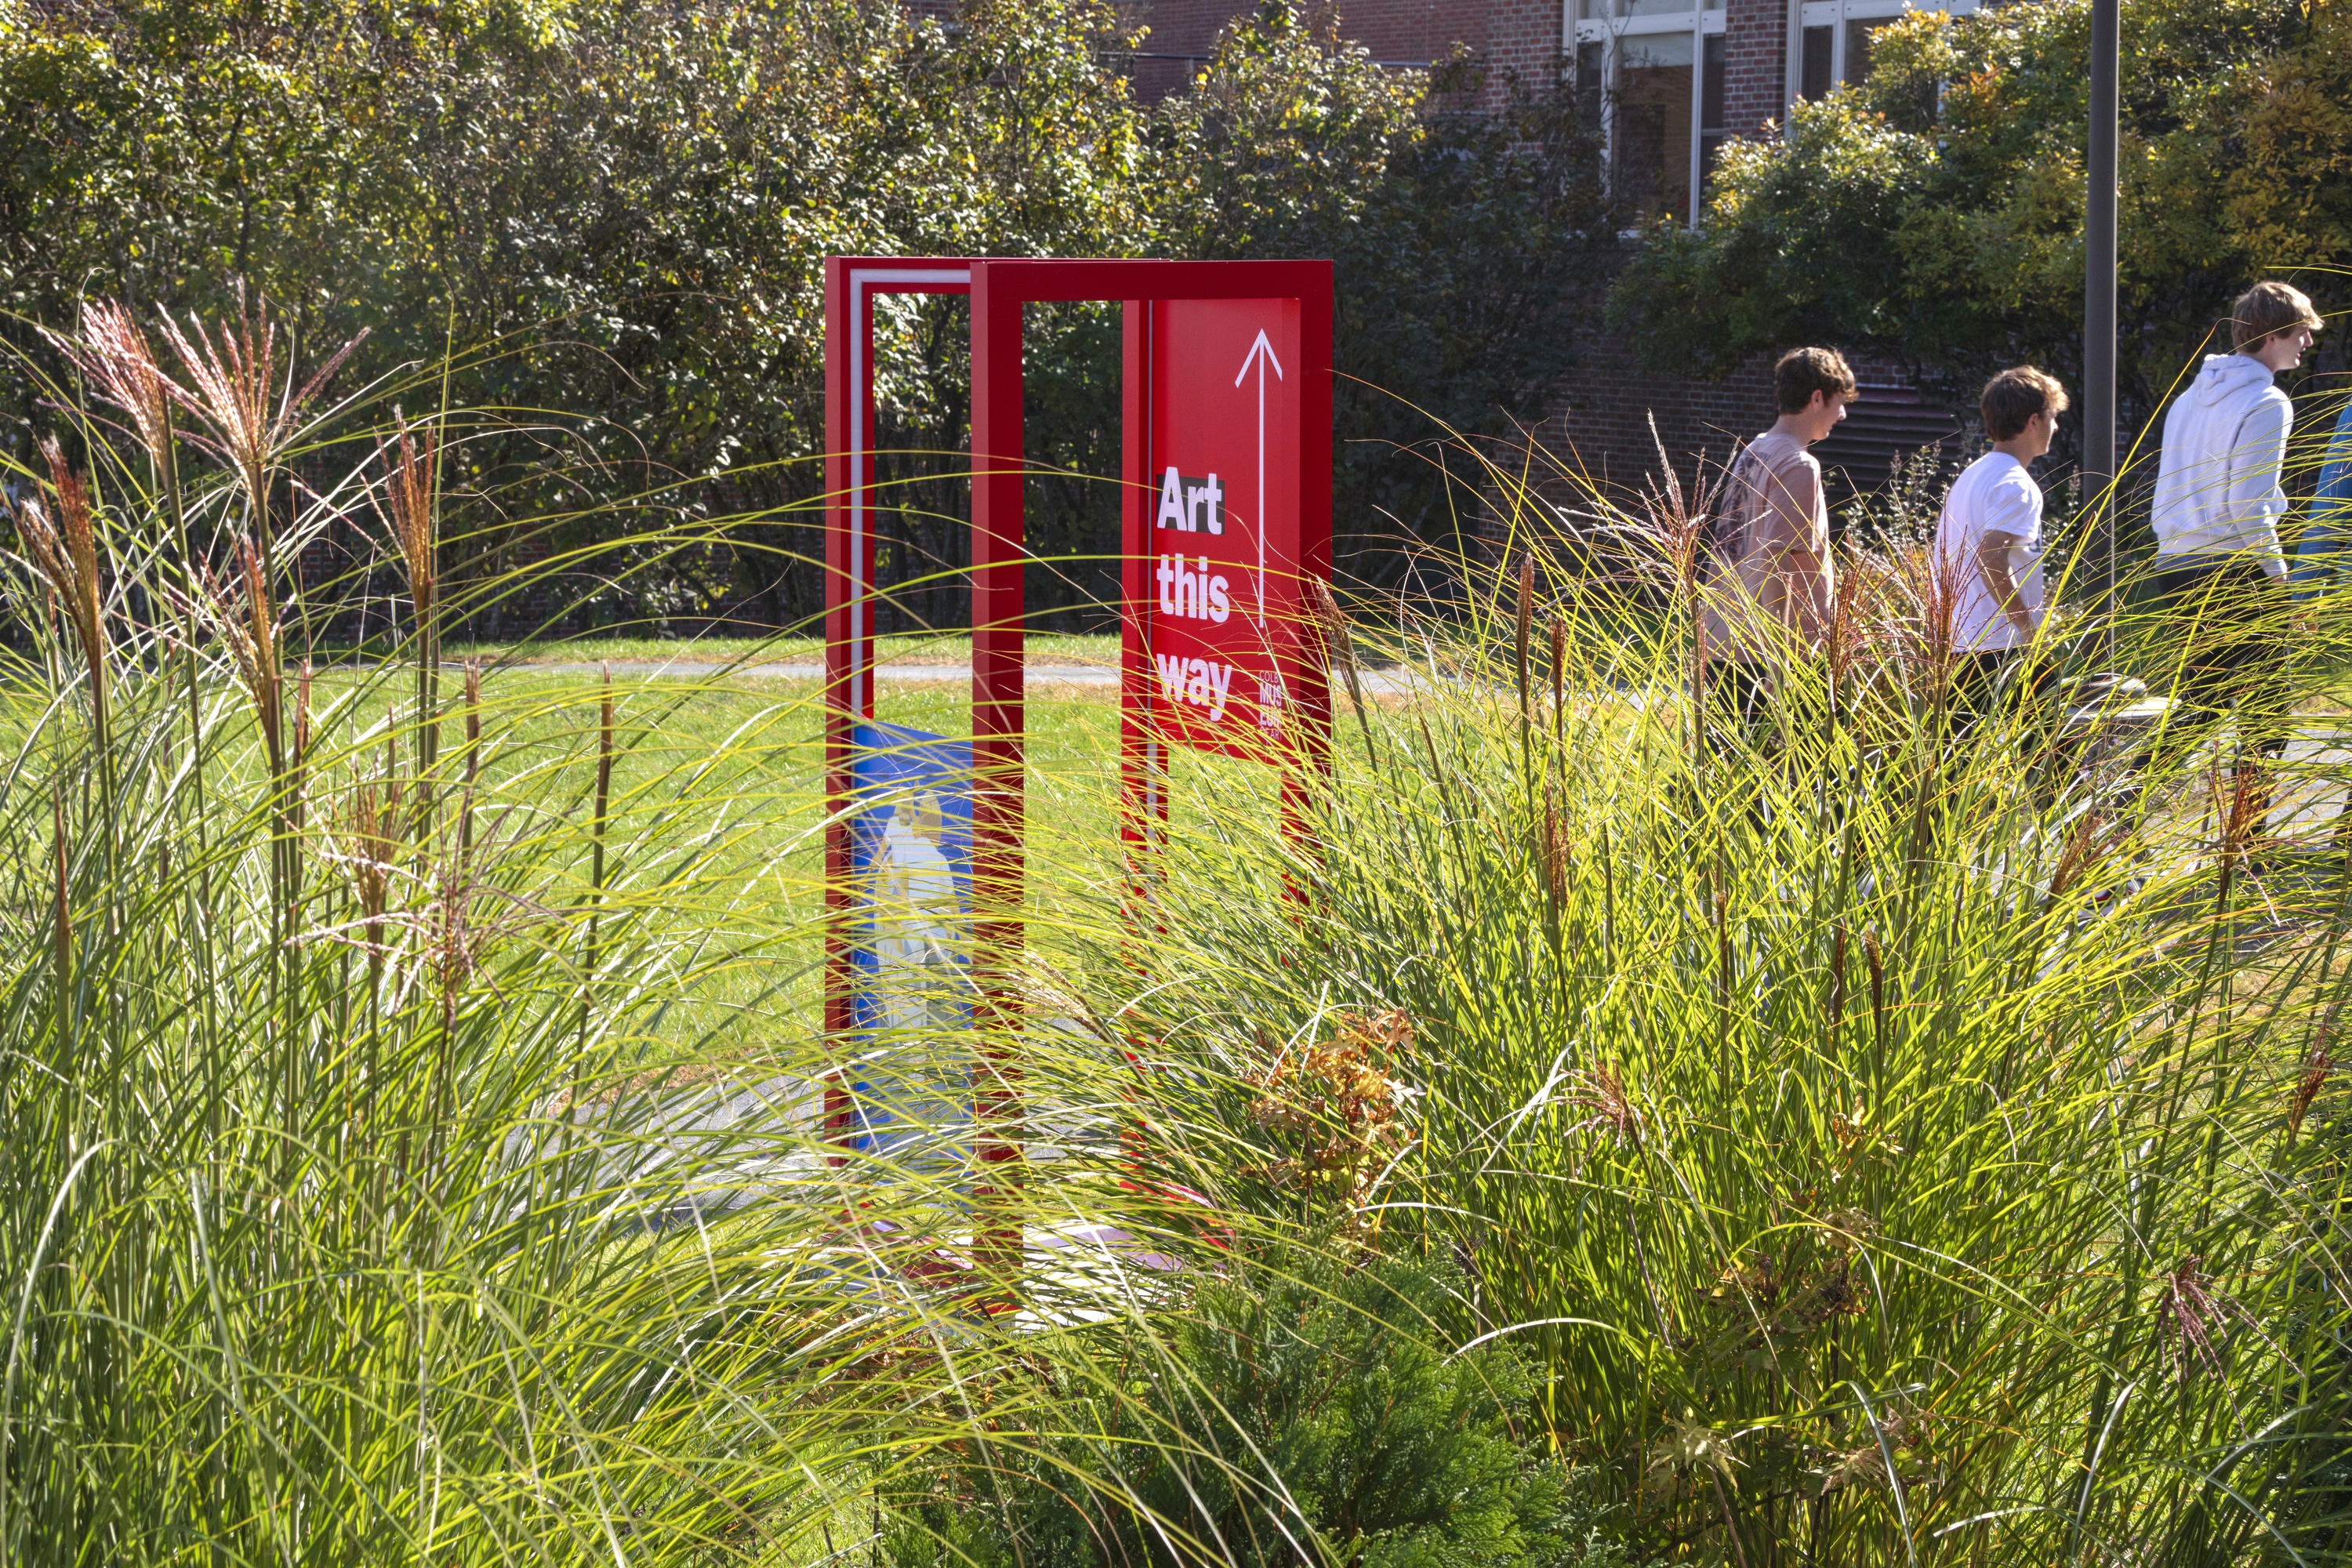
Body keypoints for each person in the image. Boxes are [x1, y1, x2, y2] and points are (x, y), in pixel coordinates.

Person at [2147, 279, 2323, 815]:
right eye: (2301, 332)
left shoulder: (2189, 398)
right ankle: (2244, 846)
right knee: (2268, 719)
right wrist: (2278, 579)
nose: (2308, 344)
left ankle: (2110, 820)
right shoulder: (2267, 401)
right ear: (2274, 336)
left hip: (2175, 563)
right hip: (2232, 568)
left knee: (2199, 708)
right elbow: (2249, 503)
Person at [1700, 346, 1855, 730]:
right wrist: (1781, 662)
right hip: (1777, 655)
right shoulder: (1800, 464)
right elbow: (1775, 562)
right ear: (1817, 397)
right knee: (1806, 775)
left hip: (1725, 638)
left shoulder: (1755, 450)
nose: (1843, 414)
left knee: (1729, 774)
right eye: (1839, 403)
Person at [1939, 366, 2067, 731]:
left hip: (1961, 642)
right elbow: (1990, 559)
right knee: (2052, 763)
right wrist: (2029, 629)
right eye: (2052, 418)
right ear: (2033, 421)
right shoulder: (2018, 485)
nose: (2055, 428)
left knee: (1954, 770)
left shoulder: (1971, 475)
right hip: (2003, 647)